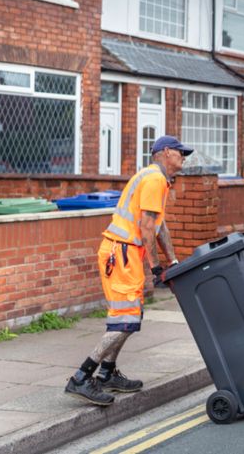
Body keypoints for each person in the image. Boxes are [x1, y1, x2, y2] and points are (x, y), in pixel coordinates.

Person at [64, 135, 192, 406]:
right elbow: (146, 228)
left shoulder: (156, 179)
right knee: (125, 321)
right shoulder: (155, 179)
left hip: (125, 254)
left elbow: (159, 226)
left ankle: (107, 373)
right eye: (180, 152)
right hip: (121, 254)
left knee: (130, 319)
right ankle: (82, 377)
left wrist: (173, 260)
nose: (184, 156)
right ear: (165, 152)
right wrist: (156, 268)